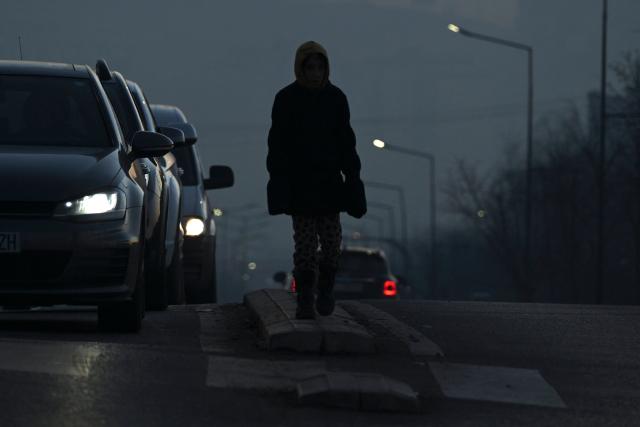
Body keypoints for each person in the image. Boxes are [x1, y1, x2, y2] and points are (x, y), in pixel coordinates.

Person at [267, 41, 367, 319]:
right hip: (300, 187)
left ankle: (325, 290)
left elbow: (347, 142)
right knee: (306, 247)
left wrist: (353, 178)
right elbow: (277, 145)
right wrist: (279, 182)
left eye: (319, 67)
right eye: (309, 67)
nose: (314, 73)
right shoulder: (286, 99)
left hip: (329, 186)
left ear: (326, 68)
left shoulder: (335, 99)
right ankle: (305, 300)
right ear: (301, 68)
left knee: (332, 245)